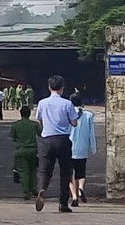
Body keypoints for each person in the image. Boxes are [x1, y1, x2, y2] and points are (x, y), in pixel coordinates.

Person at [32, 76, 78, 213]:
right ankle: (63, 203)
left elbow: (39, 120)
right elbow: (74, 122)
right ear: (62, 88)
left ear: (49, 87)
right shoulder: (67, 104)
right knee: (65, 173)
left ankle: (42, 189)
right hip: (63, 140)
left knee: (44, 170)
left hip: (47, 140)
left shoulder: (42, 103)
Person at [68, 91, 98, 209]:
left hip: (70, 147)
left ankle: (74, 197)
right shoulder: (89, 115)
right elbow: (91, 133)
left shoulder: (68, 114)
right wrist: (93, 148)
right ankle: (81, 188)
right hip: (82, 148)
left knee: (70, 174)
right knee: (81, 173)